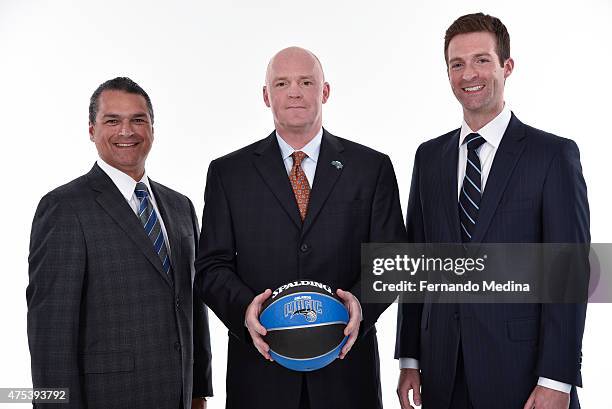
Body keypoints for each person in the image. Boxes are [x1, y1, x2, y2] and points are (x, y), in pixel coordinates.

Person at [395, 13, 589, 409]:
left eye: (482, 60)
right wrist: (409, 359)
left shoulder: (552, 156)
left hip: (523, 371)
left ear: (507, 66)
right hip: (442, 368)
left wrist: (558, 379)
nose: (469, 74)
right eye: (457, 63)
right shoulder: (429, 157)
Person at [195, 46, 406, 409]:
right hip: (261, 376)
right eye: (282, 83)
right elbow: (210, 268)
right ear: (266, 95)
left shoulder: (371, 168)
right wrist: (246, 309)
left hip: (345, 375)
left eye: (306, 81)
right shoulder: (229, 174)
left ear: (324, 92)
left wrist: (360, 303)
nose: (294, 91)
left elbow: (393, 259)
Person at [27, 77, 213, 409]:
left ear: (152, 128)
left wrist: (198, 392)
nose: (126, 131)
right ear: (91, 130)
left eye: (137, 120)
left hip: (179, 397)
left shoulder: (180, 206)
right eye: (112, 121)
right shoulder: (64, 208)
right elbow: (50, 341)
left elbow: (192, 308)